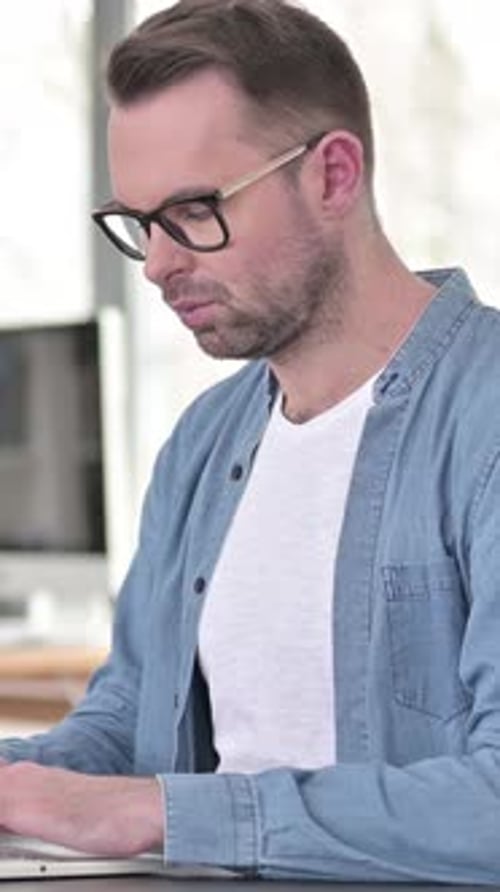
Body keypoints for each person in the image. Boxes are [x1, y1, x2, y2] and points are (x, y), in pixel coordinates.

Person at [1, 0, 500, 883]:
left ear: (334, 175)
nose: (159, 264)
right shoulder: (204, 442)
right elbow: (128, 719)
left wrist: (165, 813)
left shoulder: (482, 420)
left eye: (194, 210)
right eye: (140, 223)